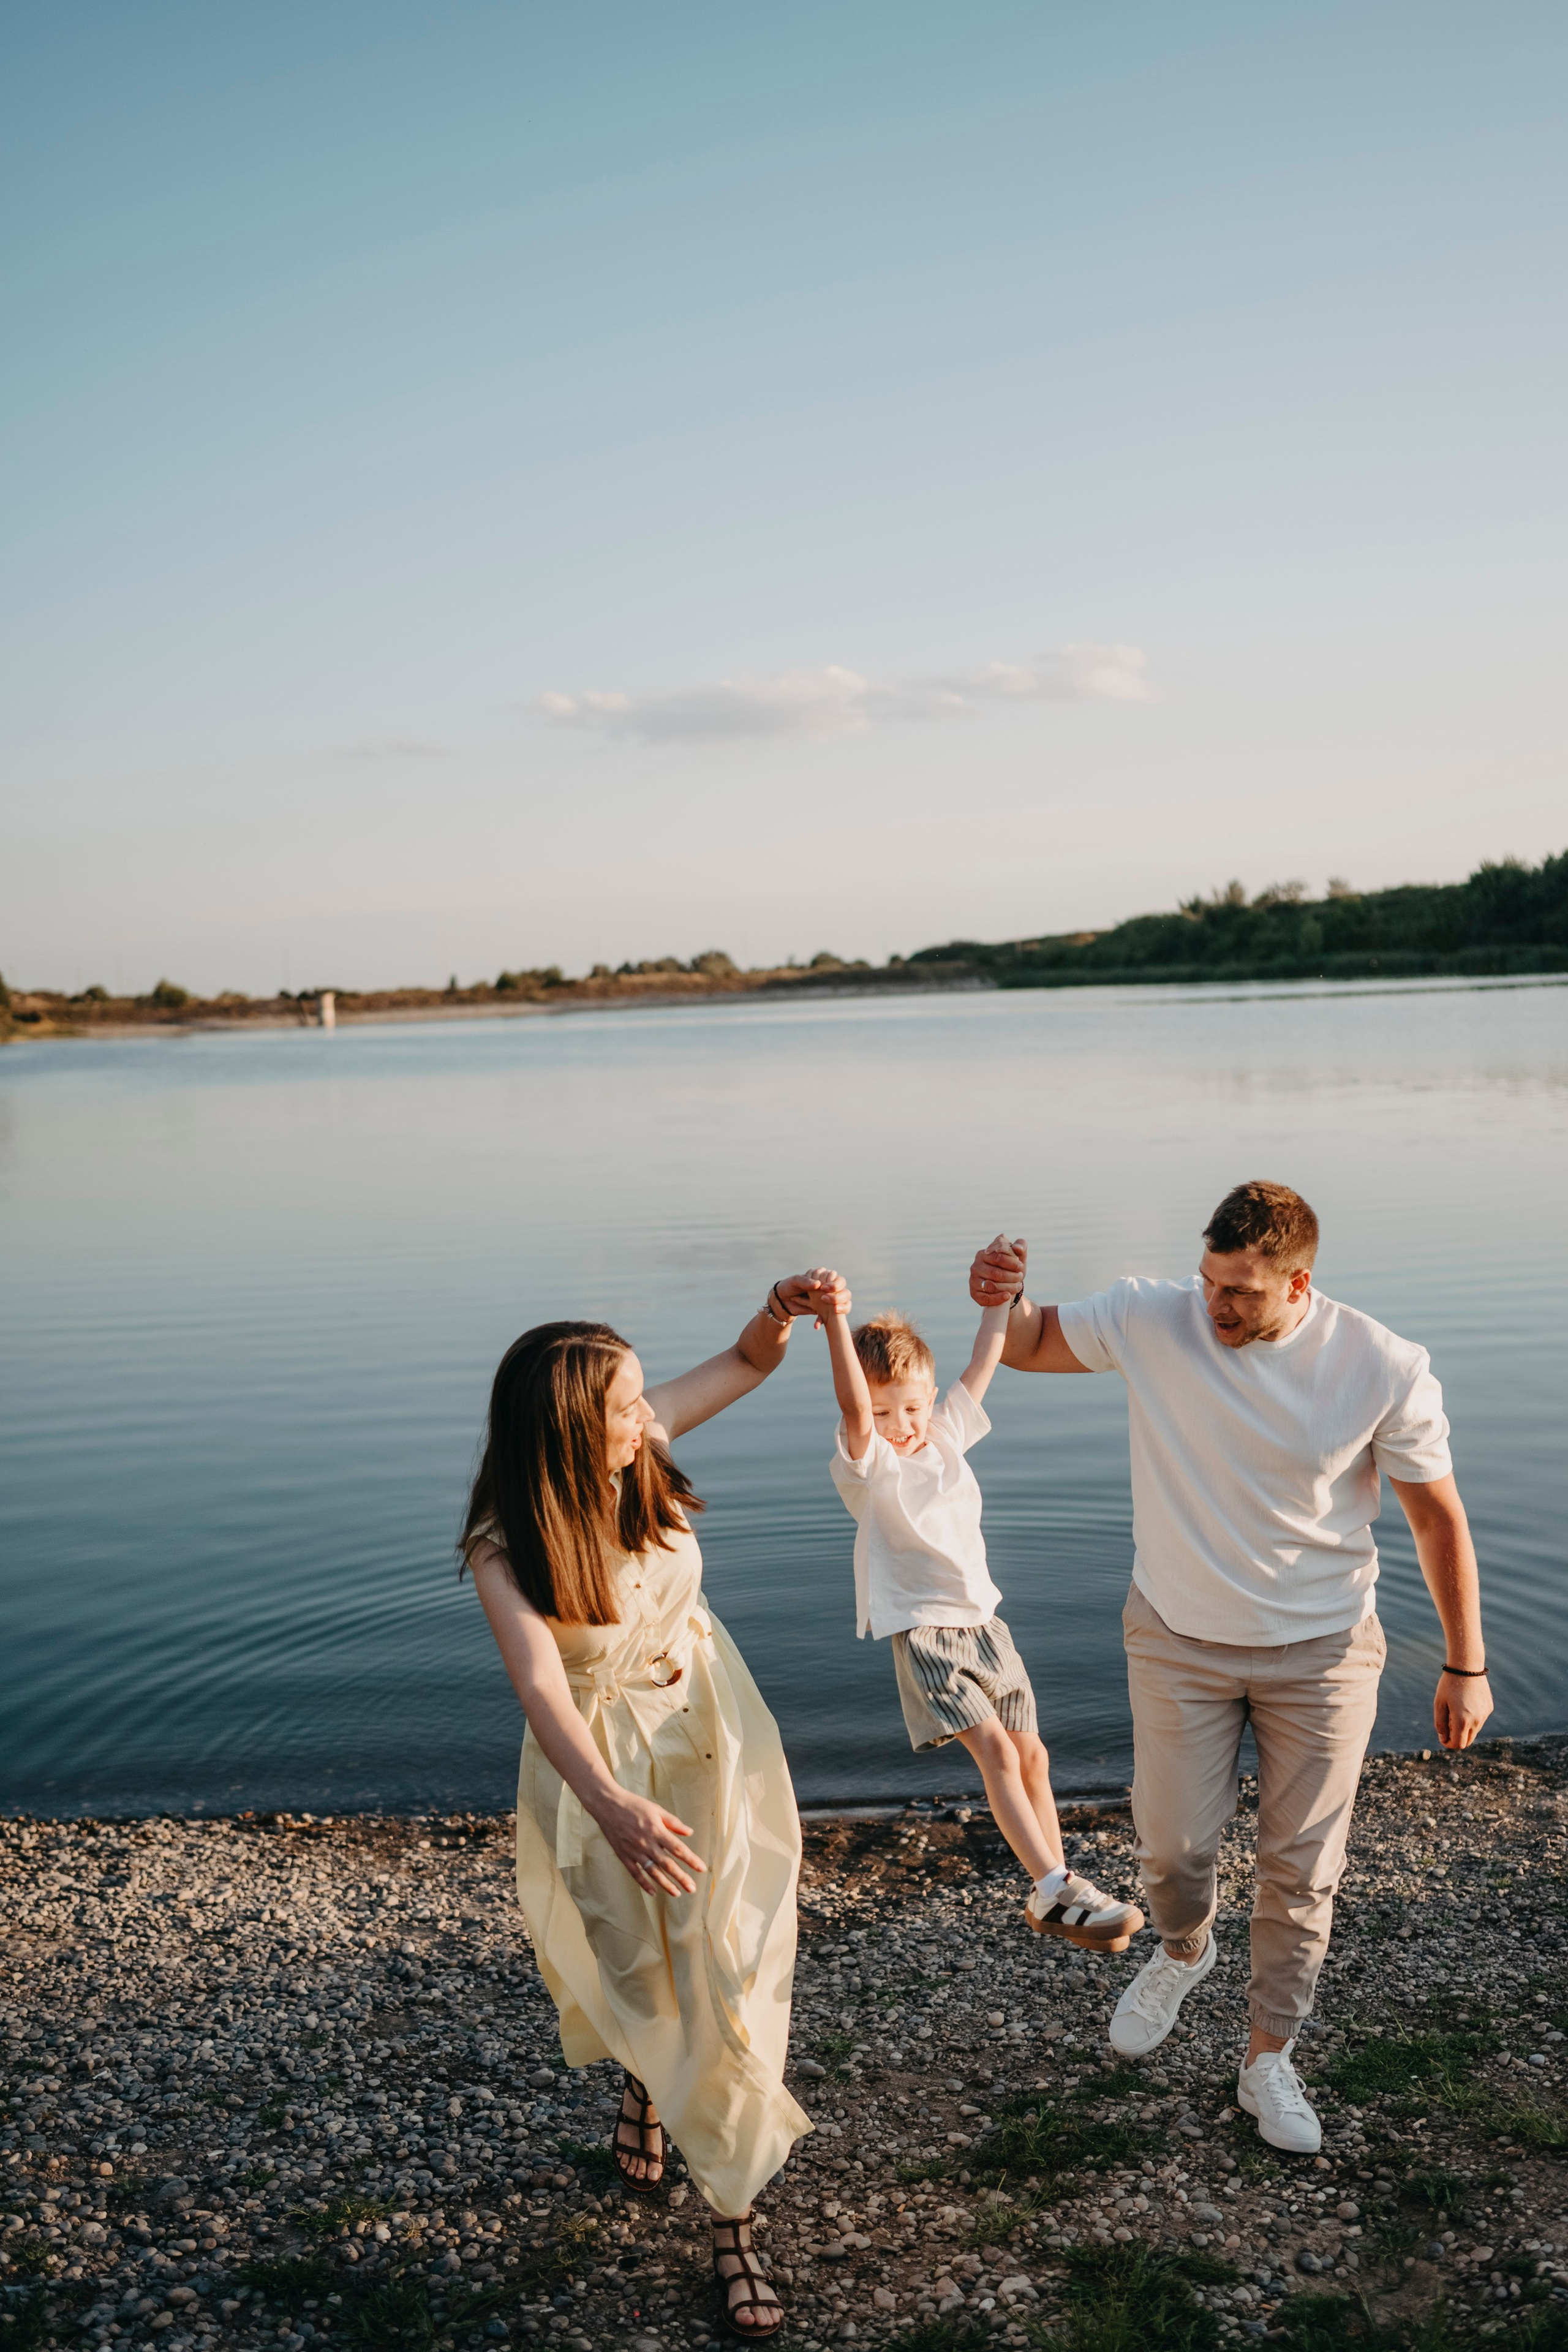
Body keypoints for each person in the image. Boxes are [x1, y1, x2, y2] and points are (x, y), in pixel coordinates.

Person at [971, 1182, 1491, 2154]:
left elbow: (1436, 1520)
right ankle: (1185, 1948)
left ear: (1300, 1283)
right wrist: (1001, 1296)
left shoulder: (1383, 1365)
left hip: (1328, 1651)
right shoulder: (1150, 1315)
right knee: (1170, 1853)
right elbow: (1034, 1340)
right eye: (1210, 1282)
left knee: (1303, 1870)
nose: (1216, 1306)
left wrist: (1467, 1663)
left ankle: (1267, 2060)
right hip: (1178, 1637)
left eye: (1241, 1294)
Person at [463, 1277, 839, 2338]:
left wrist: (780, 1307)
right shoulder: (505, 1548)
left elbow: (753, 1360)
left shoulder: (642, 1451)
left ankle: (732, 2221)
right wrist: (613, 1806)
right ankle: (645, 2083)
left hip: (716, 1736)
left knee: (731, 1965)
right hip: (603, 1773)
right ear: (574, 1425)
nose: (648, 1417)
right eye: (627, 1404)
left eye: (642, 1398)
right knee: (642, 1974)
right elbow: (542, 1690)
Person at [805, 1264, 1144, 1951]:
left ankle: (1058, 1890)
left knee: (1033, 1757)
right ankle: (1052, 1885)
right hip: (926, 1633)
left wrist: (1003, 1298)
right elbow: (850, 1402)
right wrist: (837, 1320)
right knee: (993, 1752)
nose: (900, 1425)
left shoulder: (945, 1435)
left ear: (928, 1398)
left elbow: (985, 1358)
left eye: (910, 1407)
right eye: (882, 1412)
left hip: (987, 1626)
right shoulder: (869, 1465)